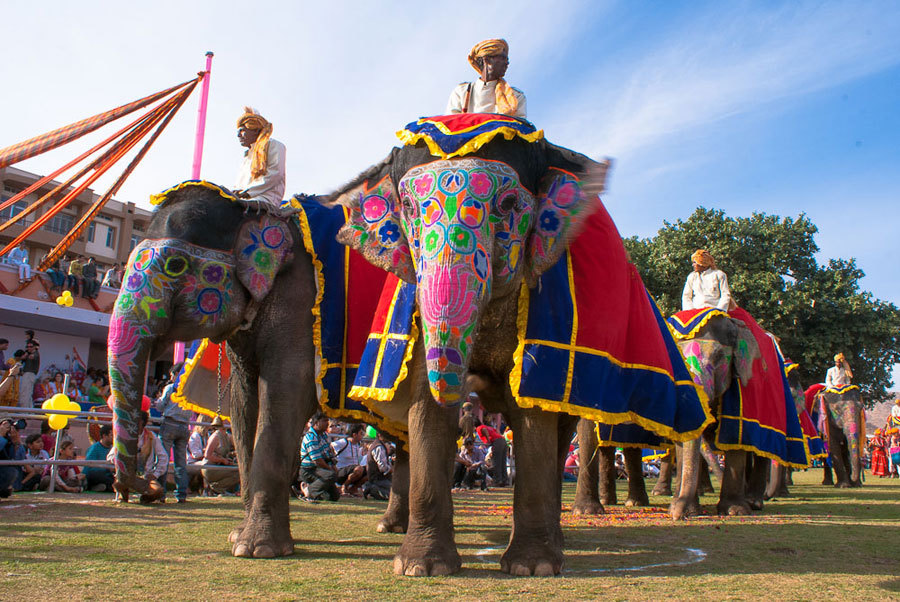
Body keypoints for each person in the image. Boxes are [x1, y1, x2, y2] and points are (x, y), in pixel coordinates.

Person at [446, 38, 527, 118]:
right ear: (487, 60)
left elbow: (520, 127)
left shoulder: (515, 96)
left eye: (507, 59)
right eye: (503, 58)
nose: (507, 63)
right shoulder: (461, 92)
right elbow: (449, 124)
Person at [234, 107, 286, 208]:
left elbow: (275, 173)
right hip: (244, 199)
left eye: (242, 131)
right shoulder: (247, 156)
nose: (238, 135)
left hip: (265, 198)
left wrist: (248, 192)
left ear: (255, 131)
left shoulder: (273, 145)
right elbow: (238, 186)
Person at [155, 364, 191, 502]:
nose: (171, 378)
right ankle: (181, 494)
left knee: (162, 458)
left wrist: (157, 400)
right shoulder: (190, 388)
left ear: (176, 374)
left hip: (169, 424)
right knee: (181, 462)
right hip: (184, 426)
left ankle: (160, 493)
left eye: (172, 375)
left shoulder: (170, 388)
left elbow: (160, 406)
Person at [298, 412, 340, 502]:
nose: (327, 423)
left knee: (334, 497)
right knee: (330, 475)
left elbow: (328, 454)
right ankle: (308, 491)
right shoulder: (310, 437)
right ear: (316, 422)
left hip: (319, 469)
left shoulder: (324, 436)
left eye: (327, 420)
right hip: (309, 470)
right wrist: (330, 469)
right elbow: (317, 461)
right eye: (324, 420)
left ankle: (314, 490)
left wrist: (334, 466)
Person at [201, 416, 240, 495]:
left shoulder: (227, 436)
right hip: (210, 468)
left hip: (219, 466)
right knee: (238, 473)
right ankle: (215, 488)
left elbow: (236, 448)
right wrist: (222, 460)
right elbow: (207, 455)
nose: (228, 422)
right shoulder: (215, 437)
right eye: (225, 420)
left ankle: (220, 489)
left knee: (239, 470)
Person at [331, 424, 367, 496]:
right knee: (359, 469)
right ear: (354, 435)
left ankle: (353, 488)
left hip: (353, 470)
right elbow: (331, 445)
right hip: (341, 471)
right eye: (361, 433)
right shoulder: (344, 442)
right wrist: (333, 461)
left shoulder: (358, 444)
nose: (362, 436)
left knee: (369, 471)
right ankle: (344, 486)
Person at [476, 418, 509, 486]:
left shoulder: (479, 428)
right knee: (503, 462)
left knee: (496, 462)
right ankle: (504, 480)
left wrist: (488, 440)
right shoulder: (488, 427)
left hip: (497, 442)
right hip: (502, 441)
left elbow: (484, 430)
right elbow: (496, 431)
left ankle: (497, 481)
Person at [362, 430, 392, 501]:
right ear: (379, 435)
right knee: (395, 495)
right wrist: (392, 470)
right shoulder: (378, 447)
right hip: (378, 479)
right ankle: (371, 489)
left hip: (383, 478)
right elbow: (383, 467)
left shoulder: (381, 445)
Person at [84, 424, 115, 492]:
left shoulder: (112, 449)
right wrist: (107, 469)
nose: (114, 438)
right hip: (96, 475)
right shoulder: (94, 448)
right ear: (104, 436)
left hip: (109, 474)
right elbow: (89, 466)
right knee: (99, 475)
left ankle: (106, 487)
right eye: (112, 435)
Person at [19, 339, 40, 408]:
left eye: (31, 347)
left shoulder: (35, 353)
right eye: (27, 347)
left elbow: (32, 357)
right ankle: (29, 411)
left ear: (34, 347)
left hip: (29, 374)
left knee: (25, 394)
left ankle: (24, 411)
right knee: (27, 393)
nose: (29, 348)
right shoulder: (29, 353)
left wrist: (27, 354)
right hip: (27, 374)